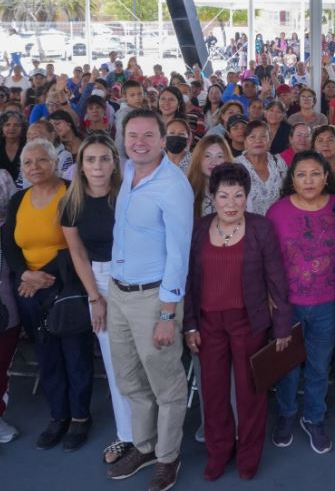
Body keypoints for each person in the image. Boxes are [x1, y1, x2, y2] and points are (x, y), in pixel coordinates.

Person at [184, 163, 292, 481]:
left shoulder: (260, 228)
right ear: (212, 199)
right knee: (214, 394)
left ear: (247, 197)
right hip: (208, 325)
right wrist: (189, 324)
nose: (231, 203)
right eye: (224, 196)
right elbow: (188, 280)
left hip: (248, 322)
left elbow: (277, 280)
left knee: (250, 394)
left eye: (238, 195)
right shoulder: (200, 229)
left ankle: (248, 456)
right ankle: (218, 454)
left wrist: (283, 326)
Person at [105, 109, 193, 491]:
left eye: (147, 135)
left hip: (154, 299)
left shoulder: (173, 186)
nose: (138, 141)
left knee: (167, 386)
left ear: (162, 140)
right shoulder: (127, 171)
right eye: (132, 134)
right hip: (119, 293)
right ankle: (144, 446)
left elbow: (179, 254)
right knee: (129, 380)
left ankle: (168, 458)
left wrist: (166, 314)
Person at [0, 139, 94, 451]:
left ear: (55, 162)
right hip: (28, 288)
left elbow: (80, 243)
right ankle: (58, 415)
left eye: (42, 160)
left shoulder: (71, 193)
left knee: (75, 354)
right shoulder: (19, 200)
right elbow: (9, 243)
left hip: (66, 286)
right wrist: (25, 273)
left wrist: (44, 276)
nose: (35, 167)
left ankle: (80, 417)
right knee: (47, 356)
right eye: (28, 163)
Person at [58, 135, 135, 464]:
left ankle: (155, 431)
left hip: (135, 276)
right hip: (99, 280)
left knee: (144, 359)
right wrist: (95, 297)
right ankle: (127, 436)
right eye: (91, 159)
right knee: (115, 363)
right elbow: (77, 252)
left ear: (115, 163)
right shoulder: (71, 202)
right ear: (81, 165)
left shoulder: (127, 195)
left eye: (105, 158)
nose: (98, 166)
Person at [267, 151, 335, 455]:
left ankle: (314, 416)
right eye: (301, 174)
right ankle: (286, 415)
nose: (308, 180)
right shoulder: (277, 212)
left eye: (315, 174)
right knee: (287, 366)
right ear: (291, 179)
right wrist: (271, 298)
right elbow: (268, 260)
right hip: (288, 305)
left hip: (327, 303)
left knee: (319, 366)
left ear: (326, 177)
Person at [234, 120, 287, 216]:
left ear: (269, 141)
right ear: (245, 142)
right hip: (248, 225)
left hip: (277, 222)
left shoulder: (278, 162)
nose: (258, 141)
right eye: (252, 137)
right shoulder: (235, 166)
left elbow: (287, 195)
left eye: (263, 136)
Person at [0, 112, 26, 185]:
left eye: (16, 125)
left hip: (23, 187)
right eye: (7, 125)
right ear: (1, 128)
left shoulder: (28, 145)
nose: (11, 128)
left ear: (22, 128)